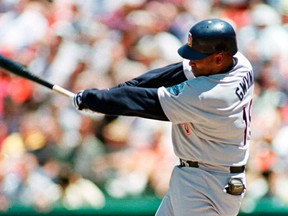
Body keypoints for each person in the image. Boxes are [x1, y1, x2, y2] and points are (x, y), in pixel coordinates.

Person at [72, 18, 254, 216]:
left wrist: (93, 99)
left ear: (219, 57)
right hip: (200, 176)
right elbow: (169, 74)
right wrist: (114, 92)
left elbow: (142, 103)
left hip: (208, 184)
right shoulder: (239, 64)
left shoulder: (211, 95)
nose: (191, 61)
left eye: (197, 57)